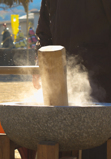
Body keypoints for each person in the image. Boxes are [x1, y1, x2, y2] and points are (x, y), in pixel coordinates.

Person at [35, 0, 111, 159]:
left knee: (98, 140)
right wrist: (41, 63)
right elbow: (44, 31)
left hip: (103, 75)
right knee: (64, 137)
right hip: (64, 75)